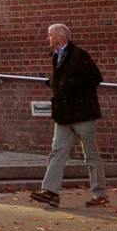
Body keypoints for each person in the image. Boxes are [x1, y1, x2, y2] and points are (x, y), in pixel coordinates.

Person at [31, 22, 109, 208]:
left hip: (81, 112)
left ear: (59, 36)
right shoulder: (57, 55)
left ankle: (100, 194)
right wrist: (54, 83)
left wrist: (66, 83)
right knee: (57, 151)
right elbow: (61, 79)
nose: (47, 39)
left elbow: (95, 77)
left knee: (90, 154)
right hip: (64, 113)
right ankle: (51, 191)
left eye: (49, 35)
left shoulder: (78, 55)